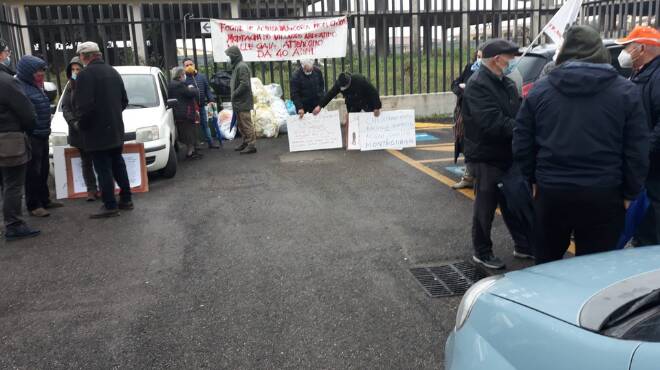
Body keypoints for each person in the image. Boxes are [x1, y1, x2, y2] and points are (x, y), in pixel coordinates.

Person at [514, 25, 649, 264]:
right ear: (599, 51)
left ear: (565, 52)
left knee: (547, 263)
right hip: (605, 193)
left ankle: (548, 302)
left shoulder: (540, 91)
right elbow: (636, 148)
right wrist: (630, 192)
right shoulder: (626, 92)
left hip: (552, 191)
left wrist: (531, 179)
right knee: (595, 268)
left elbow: (522, 141)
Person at [462, 38, 532, 270]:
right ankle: (482, 251)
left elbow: (517, 112)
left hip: (507, 152)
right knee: (486, 204)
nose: (513, 60)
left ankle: (523, 245)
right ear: (496, 59)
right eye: (510, 56)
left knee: (513, 201)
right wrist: (524, 129)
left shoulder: (506, 82)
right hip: (485, 155)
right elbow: (491, 122)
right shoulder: (478, 84)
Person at [74, 41, 132, 218]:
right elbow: (124, 100)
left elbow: (85, 107)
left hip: (96, 131)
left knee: (103, 168)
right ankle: (126, 199)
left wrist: (81, 125)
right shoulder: (112, 71)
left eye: (81, 56)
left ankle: (109, 204)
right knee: (117, 163)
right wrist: (111, 115)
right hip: (115, 128)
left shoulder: (85, 75)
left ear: (85, 56)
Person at [615, 26, 660, 246]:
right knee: (643, 218)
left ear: (641, 48)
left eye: (627, 47)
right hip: (643, 164)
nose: (624, 52)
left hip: (653, 165)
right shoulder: (640, 72)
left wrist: (642, 151)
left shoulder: (657, 76)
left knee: (653, 218)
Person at [0, 40, 40, 241]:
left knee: (5, 184)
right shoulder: (7, 81)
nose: (8, 55)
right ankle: (14, 224)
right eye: (6, 51)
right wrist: (30, 129)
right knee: (13, 184)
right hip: (10, 140)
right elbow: (27, 113)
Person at [16, 55, 64, 217]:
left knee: (43, 169)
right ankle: (34, 205)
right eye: (38, 71)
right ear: (28, 72)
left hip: (42, 134)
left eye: (43, 70)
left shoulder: (36, 86)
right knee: (33, 171)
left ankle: (45, 200)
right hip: (32, 135)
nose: (42, 73)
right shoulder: (20, 87)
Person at [61, 56, 99, 201]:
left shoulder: (90, 84)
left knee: (99, 160)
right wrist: (74, 123)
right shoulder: (70, 87)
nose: (75, 72)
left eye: (78, 69)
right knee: (86, 162)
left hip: (92, 128)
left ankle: (104, 188)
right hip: (78, 130)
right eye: (73, 69)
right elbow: (65, 108)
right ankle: (91, 190)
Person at [451, 49, 482, 190]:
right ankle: (469, 176)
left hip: (479, 114)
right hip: (464, 113)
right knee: (465, 143)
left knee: (476, 145)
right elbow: (455, 83)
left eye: (482, 57)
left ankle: (477, 177)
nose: (479, 60)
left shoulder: (490, 73)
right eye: (478, 56)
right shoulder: (470, 68)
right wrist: (460, 89)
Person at [183, 58, 221, 149]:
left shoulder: (201, 77)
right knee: (194, 127)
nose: (189, 67)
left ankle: (210, 143)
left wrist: (211, 99)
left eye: (190, 64)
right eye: (187, 65)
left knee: (205, 124)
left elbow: (207, 89)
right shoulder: (184, 80)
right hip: (191, 108)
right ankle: (196, 145)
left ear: (194, 65)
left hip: (202, 105)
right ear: (184, 67)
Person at [225, 46, 257, 155]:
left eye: (229, 56)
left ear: (234, 56)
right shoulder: (237, 66)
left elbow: (245, 84)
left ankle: (251, 145)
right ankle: (246, 142)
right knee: (241, 124)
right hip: (239, 102)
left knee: (246, 123)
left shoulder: (242, 66)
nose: (228, 58)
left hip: (243, 101)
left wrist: (234, 93)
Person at [314, 72, 382, 117]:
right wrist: (320, 106)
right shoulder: (339, 84)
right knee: (352, 120)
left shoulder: (359, 80)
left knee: (371, 118)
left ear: (348, 83)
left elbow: (373, 92)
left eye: (344, 88)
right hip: (352, 103)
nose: (342, 89)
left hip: (366, 101)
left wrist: (376, 107)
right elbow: (330, 94)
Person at [169, 66, 202, 160]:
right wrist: (192, 88)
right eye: (183, 74)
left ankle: (191, 151)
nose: (185, 76)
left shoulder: (173, 84)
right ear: (180, 75)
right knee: (189, 134)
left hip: (180, 113)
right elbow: (192, 93)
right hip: (185, 113)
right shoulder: (179, 85)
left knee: (187, 133)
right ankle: (190, 153)